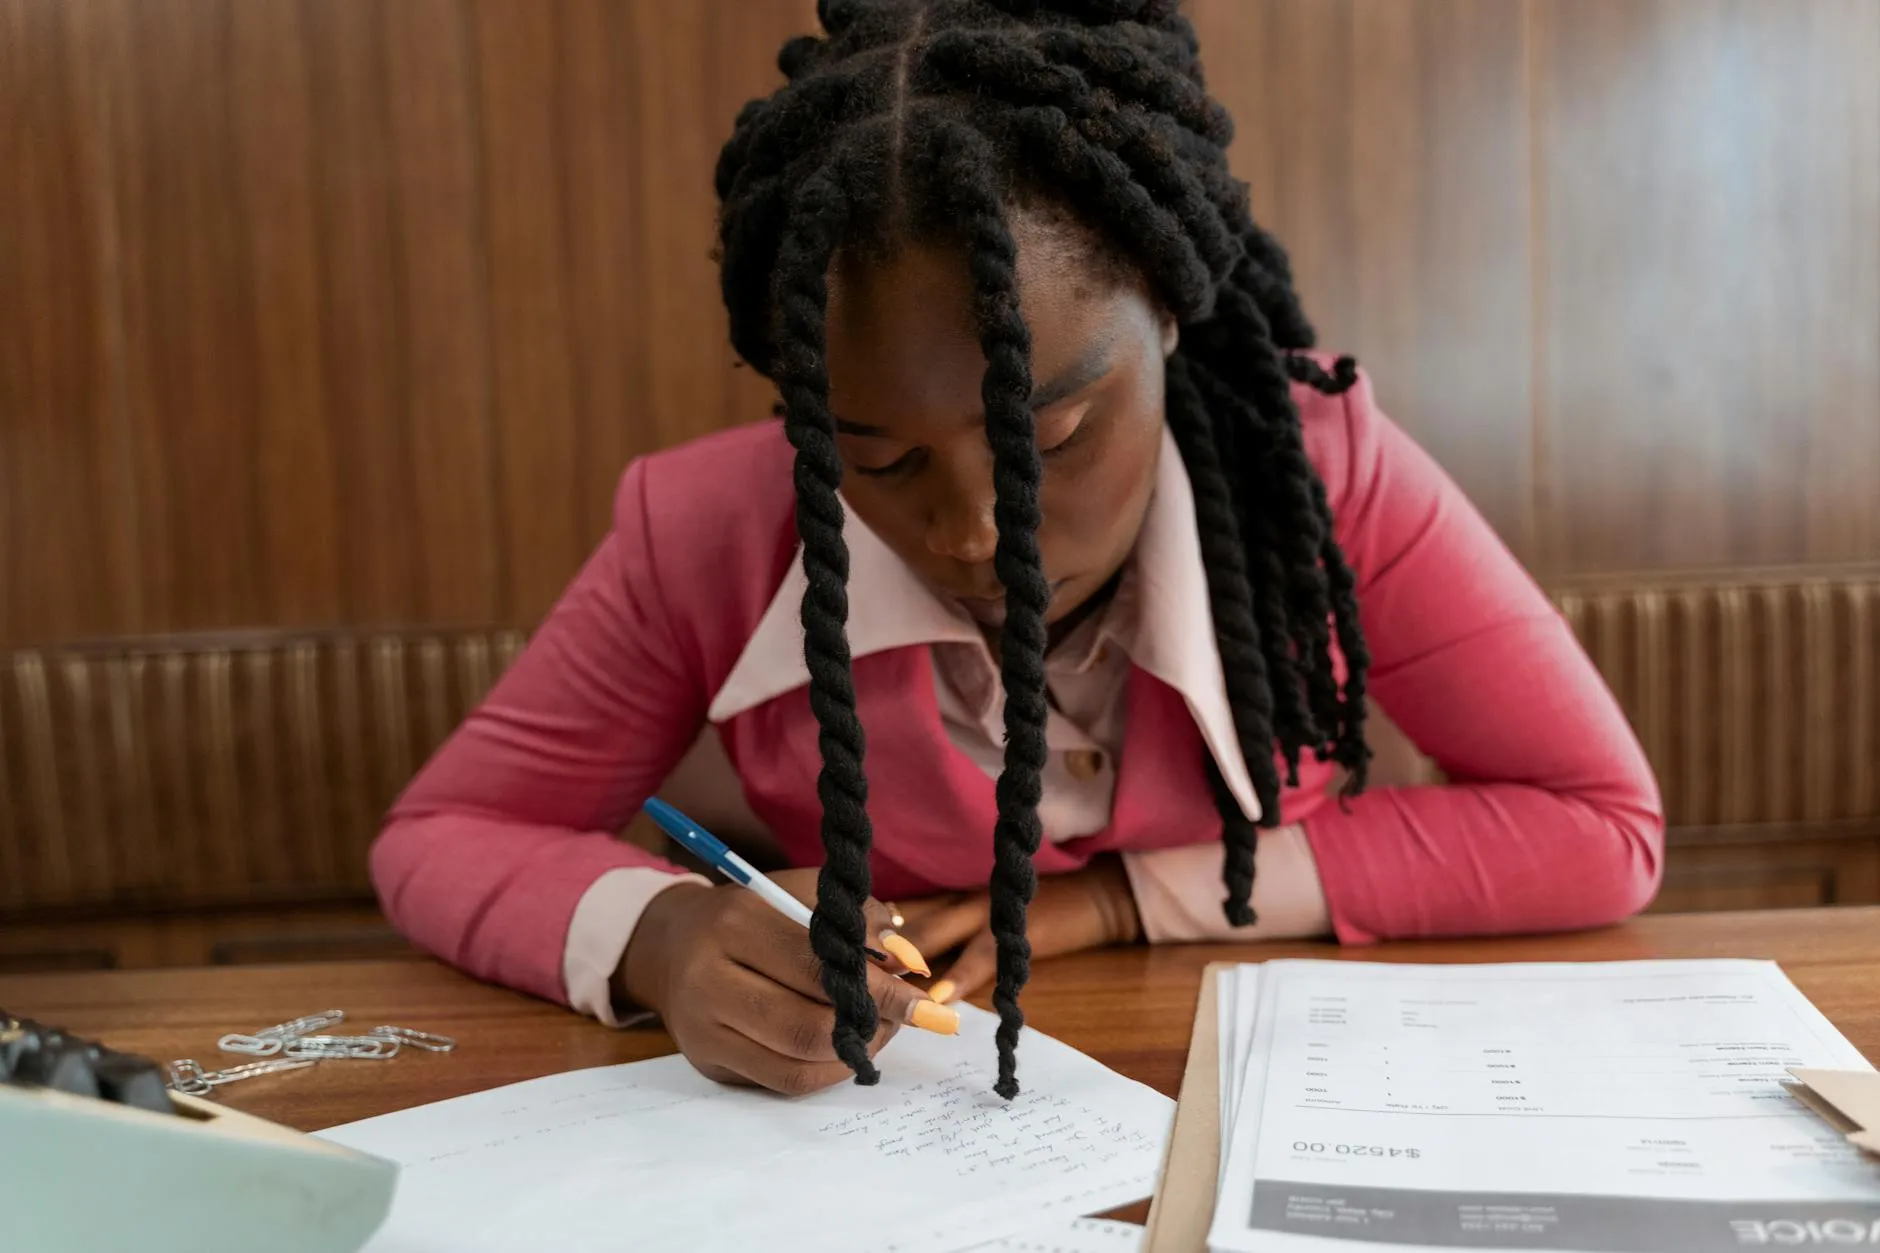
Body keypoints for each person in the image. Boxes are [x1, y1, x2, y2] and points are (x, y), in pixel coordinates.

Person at [370, 0, 1663, 1100]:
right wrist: (656, 937)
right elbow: (443, 833)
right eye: (876, 463)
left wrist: (1114, 903)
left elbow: (1602, 826)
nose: (980, 531)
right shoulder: (712, 532)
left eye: (1051, 433)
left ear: (1166, 299)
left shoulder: (1319, 478)